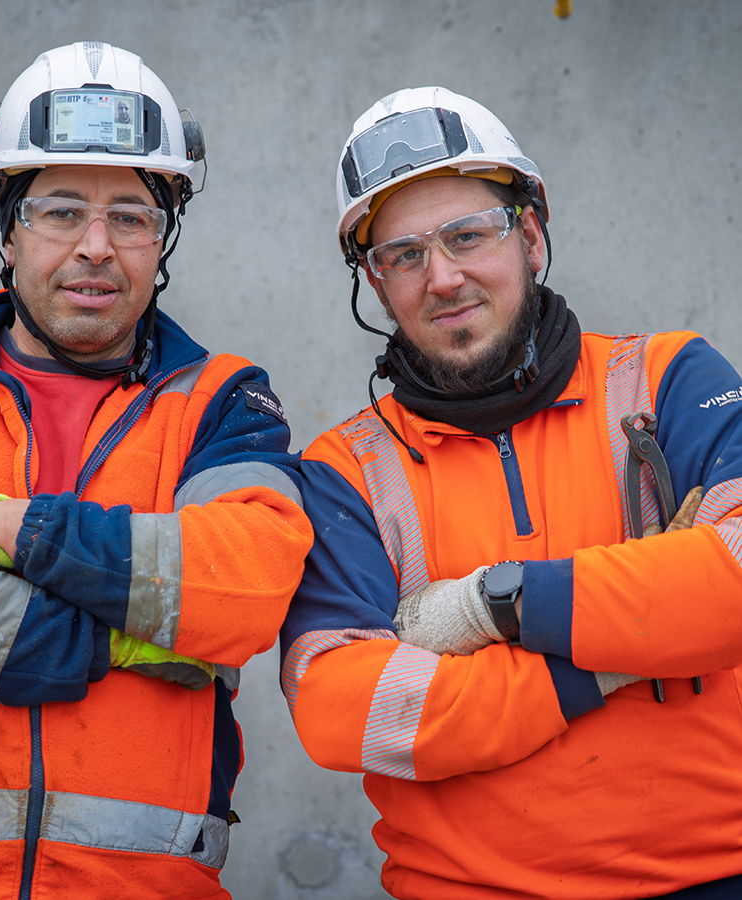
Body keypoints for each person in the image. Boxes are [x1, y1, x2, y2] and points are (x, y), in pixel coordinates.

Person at [0, 42, 312, 898]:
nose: (97, 247)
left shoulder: (223, 401)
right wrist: (109, 640)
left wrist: (4, 529)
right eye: (60, 211)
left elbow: (248, 588)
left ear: (161, 239)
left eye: (131, 216)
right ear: (9, 229)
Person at [280, 85, 742, 899]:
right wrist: (614, 659)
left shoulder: (667, 380)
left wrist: (497, 605)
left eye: (468, 235)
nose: (443, 277)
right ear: (376, 282)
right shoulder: (343, 469)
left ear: (529, 235)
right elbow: (344, 709)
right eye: (404, 255)